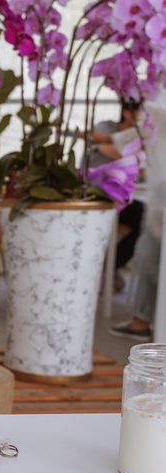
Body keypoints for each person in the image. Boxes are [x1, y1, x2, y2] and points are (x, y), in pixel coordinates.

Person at [109, 92, 166, 341]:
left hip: (156, 196)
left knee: (148, 257)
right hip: (156, 198)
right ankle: (141, 320)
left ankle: (142, 320)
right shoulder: (153, 117)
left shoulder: (153, 115)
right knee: (147, 257)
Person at [89, 98, 148, 291]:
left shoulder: (140, 136)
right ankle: (102, 269)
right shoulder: (107, 128)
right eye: (142, 111)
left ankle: (108, 267)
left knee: (146, 220)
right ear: (127, 111)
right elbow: (109, 147)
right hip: (96, 197)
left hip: (119, 199)